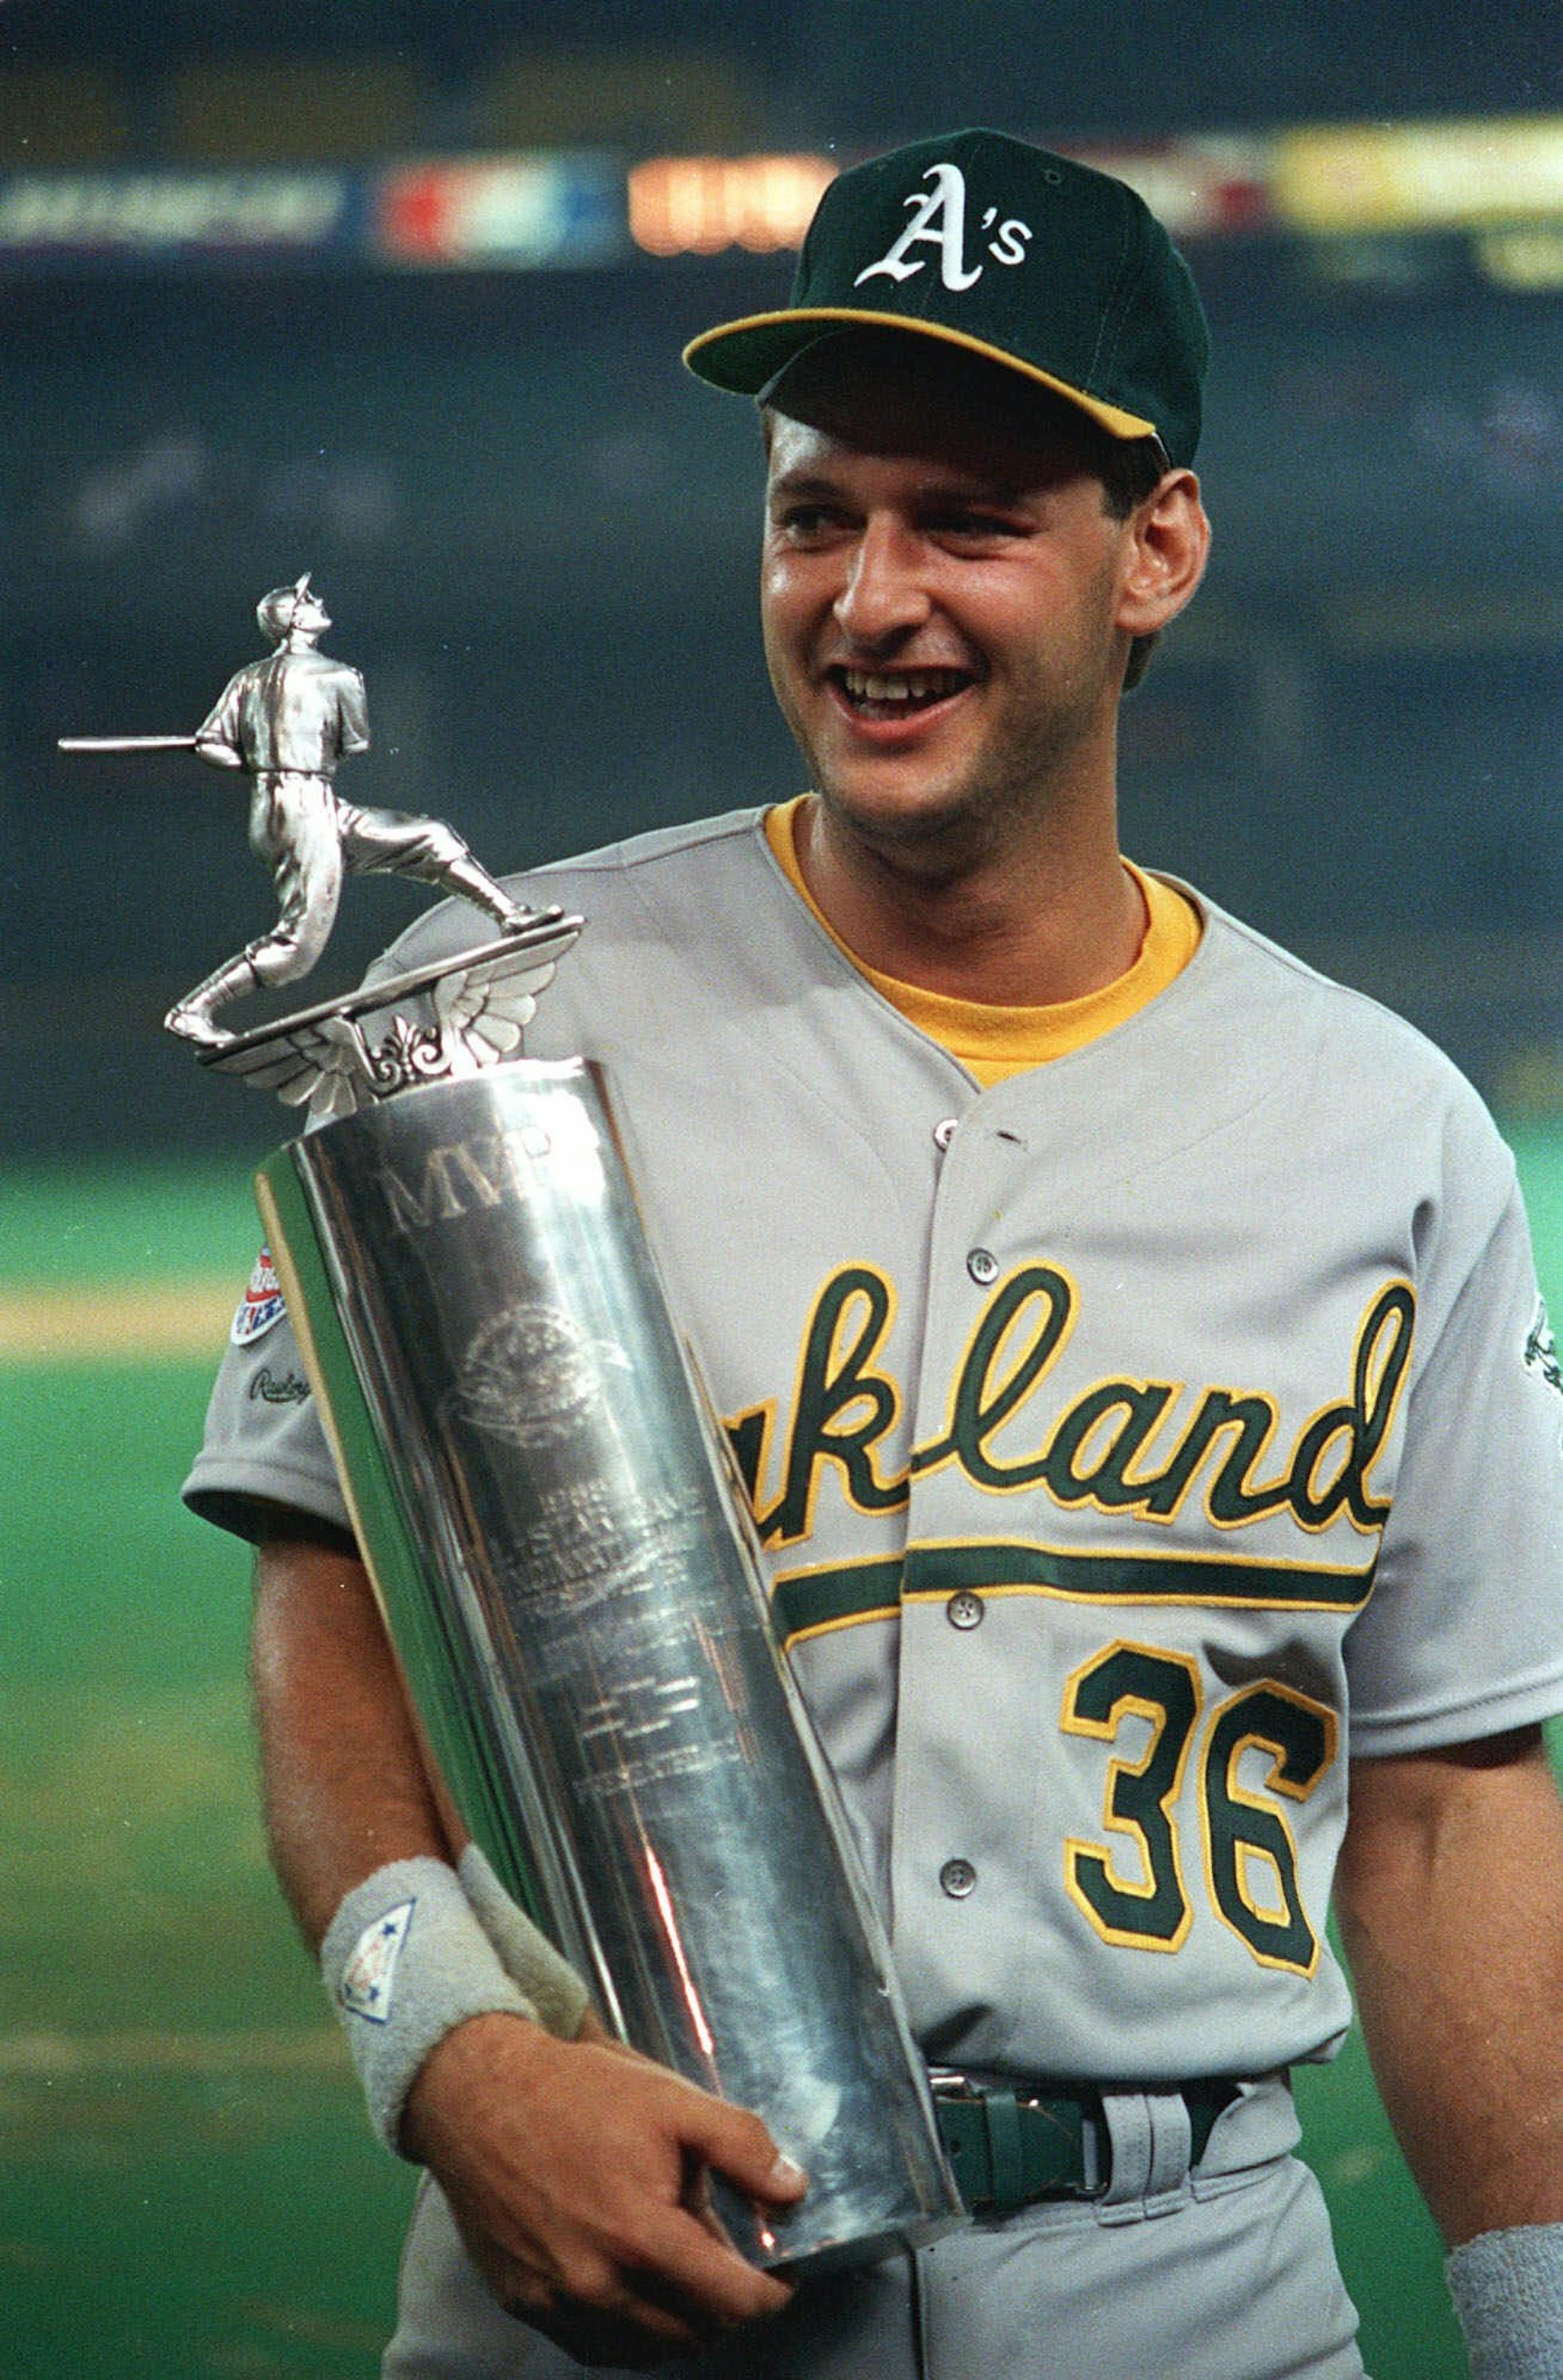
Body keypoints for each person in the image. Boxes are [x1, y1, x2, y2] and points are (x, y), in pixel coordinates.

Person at [182, 129, 1563, 2378]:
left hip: (1190, 2291)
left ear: (1157, 548)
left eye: (970, 520)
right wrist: (444, 2053)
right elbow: (330, 1612)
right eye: (817, 515)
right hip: (620, 2291)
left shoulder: (1386, 1129)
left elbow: (1447, 1807)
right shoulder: (491, 1004)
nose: (870, 595)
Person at [166, 574, 528, 1046]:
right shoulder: (339, 677)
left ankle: (509, 915)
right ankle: (193, 1010)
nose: (318, 602)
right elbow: (354, 744)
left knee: (430, 838)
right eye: (308, 600)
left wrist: (258, 760)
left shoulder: (248, 678)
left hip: (288, 807)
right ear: (295, 619)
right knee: (298, 948)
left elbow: (211, 745)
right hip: (307, 807)